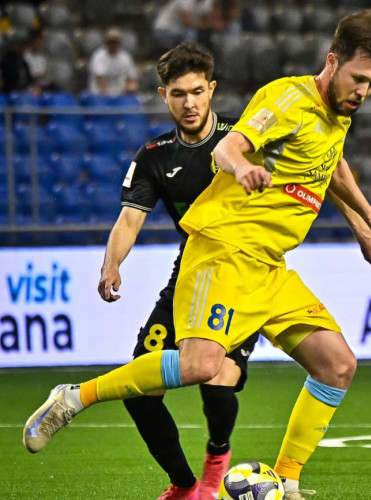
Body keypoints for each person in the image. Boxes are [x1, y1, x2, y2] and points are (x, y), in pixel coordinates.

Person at [23, 10, 371, 500]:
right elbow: (228, 149)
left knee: (337, 365)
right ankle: (74, 397)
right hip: (223, 252)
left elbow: (330, 164)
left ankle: (287, 481)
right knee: (202, 366)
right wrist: (242, 168)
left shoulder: (335, 115)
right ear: (332, 62)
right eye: (359, 79)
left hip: (268, 266)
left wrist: (367, 220)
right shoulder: (288, 99)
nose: (364, 92)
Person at [97, 42, 259, 500]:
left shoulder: (243, 138)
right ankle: (184, 486)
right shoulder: (154, 155)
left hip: (243, 276)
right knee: (138, 386)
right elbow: (129, 219)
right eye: (178, 94)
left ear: (212, 90)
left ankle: (217, 458)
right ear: (163, 96)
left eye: (197, 91)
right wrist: (112, 264)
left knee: (218, 380)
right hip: (189, 275)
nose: (189, 103)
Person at [88, 27, 138, 96]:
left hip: (120, 95)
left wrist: (130, 88)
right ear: (106, 43)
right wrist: (109, 95)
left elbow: (132, 79)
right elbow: (101, 80)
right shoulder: (98, 56)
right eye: (110, 42)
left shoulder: (126, 57)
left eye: (115, 42)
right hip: (100, 95)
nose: (113, 45)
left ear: (120, 43)